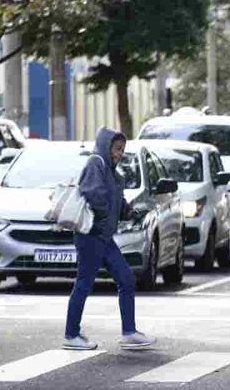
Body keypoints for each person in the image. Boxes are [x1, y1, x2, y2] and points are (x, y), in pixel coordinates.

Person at [64, 127, 155, 350]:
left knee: (126, 279)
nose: (119, 153)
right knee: (84, 284)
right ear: (106, 146)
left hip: (104, 237)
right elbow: (93, 193)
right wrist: (106, 213)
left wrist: (129, 212)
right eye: (116, 148)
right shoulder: (96, 163)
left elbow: (116, 201)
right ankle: (71, 335)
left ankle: (129, 333)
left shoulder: (112, 171)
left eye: (122, 149)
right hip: (91, 236)